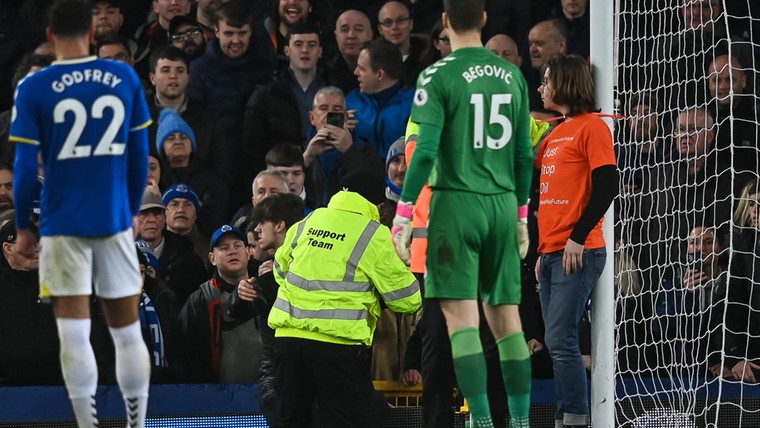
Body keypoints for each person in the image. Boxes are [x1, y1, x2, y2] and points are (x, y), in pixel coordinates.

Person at [392, 1, 534, 426]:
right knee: (508, 329)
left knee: (456, 330)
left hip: (456, 212)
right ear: (486, 20)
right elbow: (524, 155)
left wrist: (401, 214)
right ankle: (517, 421)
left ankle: (467, 420)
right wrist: (523, 216)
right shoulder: (512, 77)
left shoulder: (437, 76)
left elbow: (426, 152)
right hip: (501, 210)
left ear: (446, 22)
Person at [9, 1, 151, 426]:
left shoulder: (33, 88)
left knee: (73, 332)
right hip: (112, 220)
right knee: (126, 332)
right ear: (92, 32)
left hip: (61, 225)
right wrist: (127, 212)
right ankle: (138, 422)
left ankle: (87, 425)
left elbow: (22, 168)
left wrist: (21, 225)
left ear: (51, 37)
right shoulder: (123, 76)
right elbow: (140, 156)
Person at [269, 190, 421, 427]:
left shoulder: (306, 222)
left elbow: (279, 271)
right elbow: (408, 299)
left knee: (292, 420)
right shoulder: (373, 233)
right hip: (338, 347)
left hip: (287, 341)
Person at [533, 54, 618, 428]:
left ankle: (574, 418)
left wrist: (578, 238)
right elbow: (548, 197)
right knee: (556, 341)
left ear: (567, 82)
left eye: (547, 80)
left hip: (578, 249)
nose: (542, 87)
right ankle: (567, 415)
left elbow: (607, 187)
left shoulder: (592, 128)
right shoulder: (554, 133)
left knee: (560, 339)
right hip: (551, 252)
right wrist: (542, 249)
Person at [175, 224, 263, 383]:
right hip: (215, 400)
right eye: (224, 248)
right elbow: (186, 354)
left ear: (248, 252)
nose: (232, 251)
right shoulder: (199, 300)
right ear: (212, 258)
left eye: (238, 246)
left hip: (267, 397)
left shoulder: (265, 292)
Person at [347, 38, 414, 159]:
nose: (355, 72)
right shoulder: (352, 101)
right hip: (360, 173)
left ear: (379, 75)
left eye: (361, 69)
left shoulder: (414, 105)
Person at [326, 9, 374, 95]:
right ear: (336, 36)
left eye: (358, 29)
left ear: (371, 35)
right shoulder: (324, 73)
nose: (351, 35)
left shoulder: (384, 71)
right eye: (344, 30)